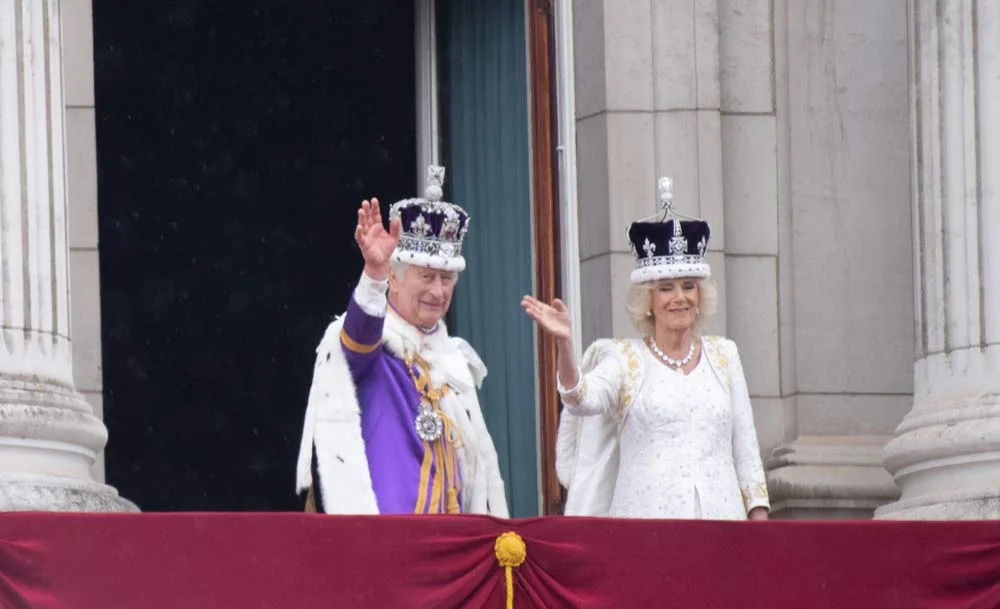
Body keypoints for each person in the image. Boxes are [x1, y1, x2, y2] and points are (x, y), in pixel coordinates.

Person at [522, 177, 769, 520]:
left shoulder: (725, 355)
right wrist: (565, 344)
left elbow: (746, 450)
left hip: (723, 527)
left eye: (688, 287)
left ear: (700, 297)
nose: (679, 297)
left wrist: (759, 523)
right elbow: (580, 398)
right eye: (666, 288)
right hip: (645, 530)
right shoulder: (624, 359)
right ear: (648, 301)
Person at [295, 165, 508, 516]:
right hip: (387, 545)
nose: (438, 291)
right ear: (395, 278)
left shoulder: (454, 362)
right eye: (426, 277)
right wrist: (373, 276)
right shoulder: (376, 350)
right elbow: (357, 338)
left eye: (447, 279)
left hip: (453, 544)